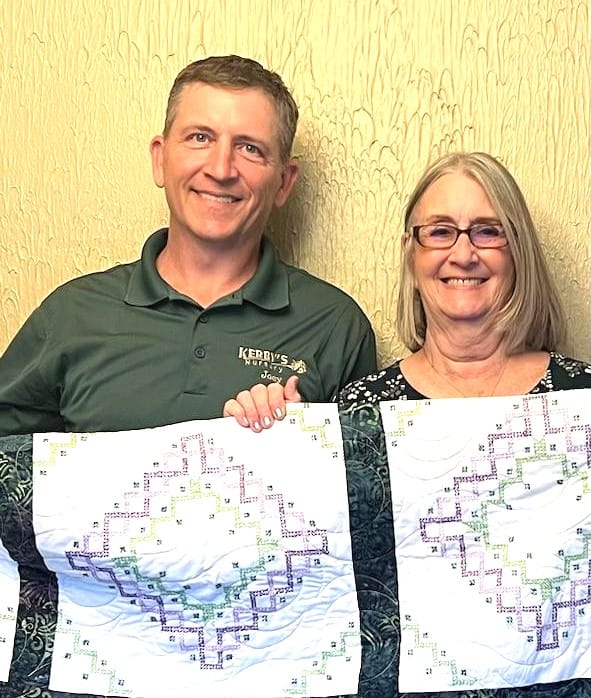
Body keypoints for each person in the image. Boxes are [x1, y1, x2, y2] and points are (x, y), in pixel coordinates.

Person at [0, 55, 376, 436]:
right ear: (160, 159)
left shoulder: (335, 326)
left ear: (283, 182)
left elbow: (363, 486)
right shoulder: (72, 314)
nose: (220, 169)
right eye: (200, 138)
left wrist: (304, 442)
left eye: (249, 148)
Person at [339, 151, 591, 409]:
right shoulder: (359, 407)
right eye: (440, 231)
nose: (463, 255)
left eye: (488, 231)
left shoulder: (584, 393)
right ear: (411, 256)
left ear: (519, 253)